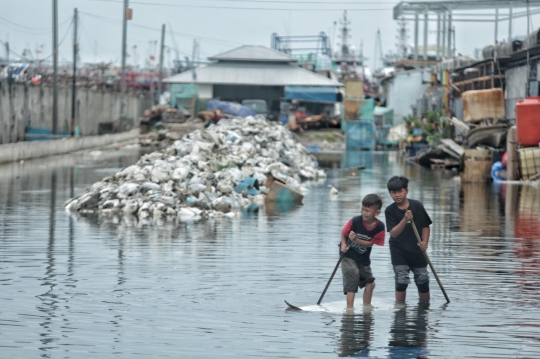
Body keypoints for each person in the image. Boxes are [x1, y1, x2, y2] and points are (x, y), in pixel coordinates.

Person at [385, 176, 432, 303]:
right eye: (394, 193)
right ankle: (400, 310)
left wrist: (425, 243)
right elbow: (394, 233)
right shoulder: (390, 210)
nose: (397, 195)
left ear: (406, 191)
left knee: (422, 280)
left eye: (400, 191)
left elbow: (425, 226)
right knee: (401, 280)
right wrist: (405, 220)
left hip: (417, 249)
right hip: (398, 250)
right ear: (390, 194)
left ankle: (424, 308)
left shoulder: (417, 206)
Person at [340, 194, 385, 308]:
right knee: (352, 278)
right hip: (348, 254)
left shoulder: (380, 227)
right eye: (363, 209)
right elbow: (344, 233)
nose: (364, 213)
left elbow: (371, 243)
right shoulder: (355, 221)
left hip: (363, 257)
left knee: (370, 283)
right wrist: (344, 245)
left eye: (368, 211)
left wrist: (355, 239)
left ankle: (366, 308)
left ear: (377, 213)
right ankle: (349, 310)